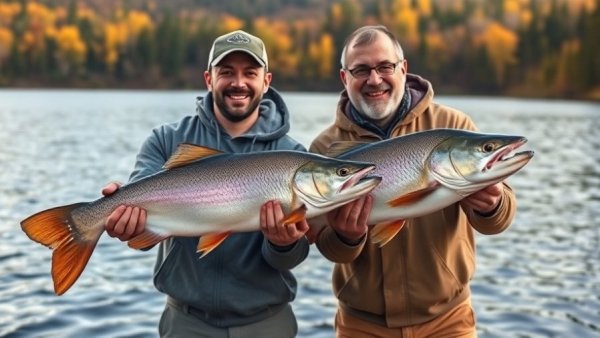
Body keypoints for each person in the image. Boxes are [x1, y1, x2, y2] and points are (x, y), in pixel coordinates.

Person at [309, 25, 517, 337]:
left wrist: (493, 205)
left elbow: (496, 223)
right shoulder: (326, 148)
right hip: (361, 325)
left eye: (385, 67)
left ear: (403, 69)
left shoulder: (453, 126)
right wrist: (346, 238)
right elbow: (327, 245)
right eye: (361, 69)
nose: (374, 79)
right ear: (345, 78)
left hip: (449, 320)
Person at [101, 30, 310, 337]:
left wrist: (284, 243)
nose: (238, 83)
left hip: (266, 323)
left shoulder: (293, 159)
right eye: (226, 72)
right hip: (185, 322)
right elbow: (140, 228)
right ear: (209, 79)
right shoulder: (167, 140)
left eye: (249, 73)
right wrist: (125, 220)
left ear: (266, 81)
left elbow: (292, 257)